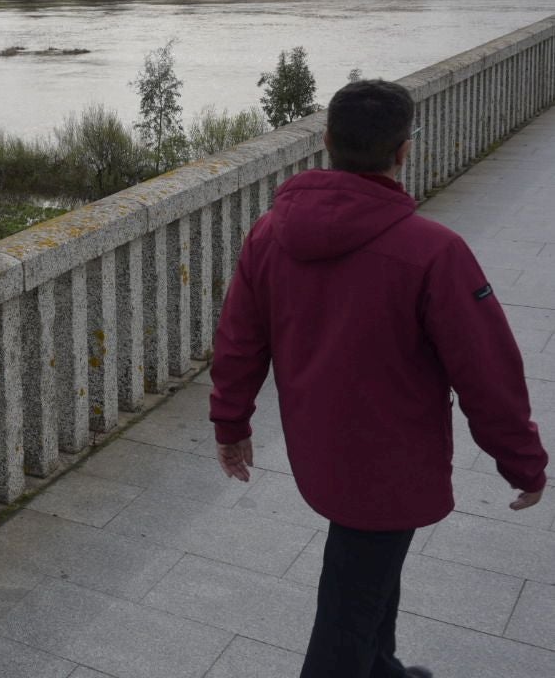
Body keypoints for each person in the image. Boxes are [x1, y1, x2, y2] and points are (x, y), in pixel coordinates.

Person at [209, 79, 547, 678]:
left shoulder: (269, 233)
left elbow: (239, 341)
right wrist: (522, 460)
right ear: (404, 150)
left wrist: (231, 423)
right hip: (393, 459)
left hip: (320, 447)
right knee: (347, 610)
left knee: (368, 579)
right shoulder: (432, 251)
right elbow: (487, 371)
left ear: (326, 141)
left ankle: (384, 670)